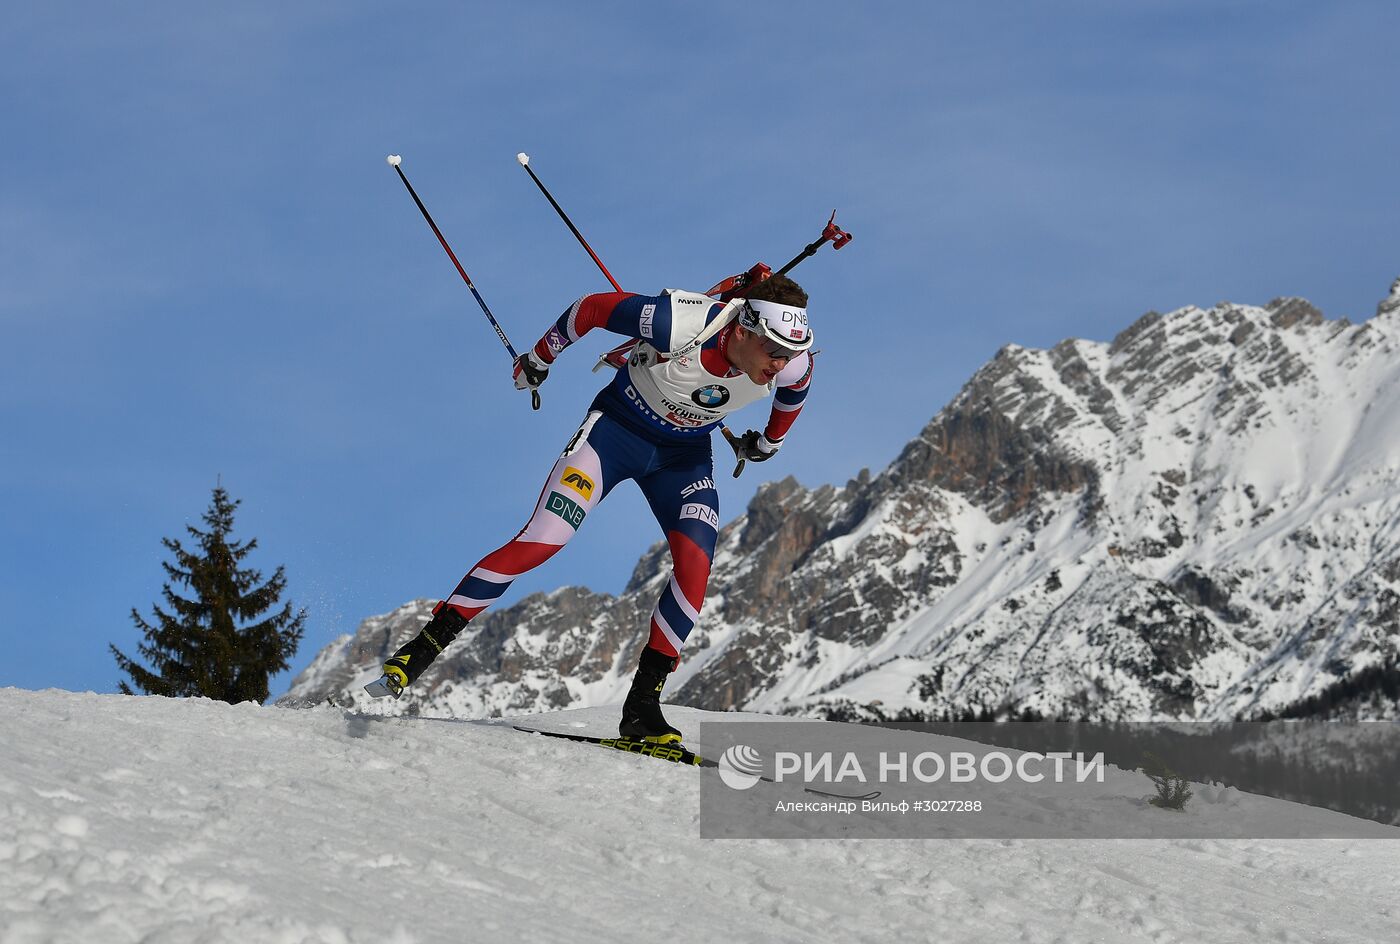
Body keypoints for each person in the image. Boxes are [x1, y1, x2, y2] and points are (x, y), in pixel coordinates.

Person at [365, 274, 815, 745]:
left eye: (790, 352)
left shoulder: (790, 363)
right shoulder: (677, 324)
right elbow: (593, 308)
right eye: (774, 352)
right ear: (742, 331)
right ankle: (420, 650)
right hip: (615, 436)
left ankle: (642, 709)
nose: (781, 363)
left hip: (682, 459)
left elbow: (793, 397)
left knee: (695, 567)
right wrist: (540, 358)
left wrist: (767, 443)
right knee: (544, 541)